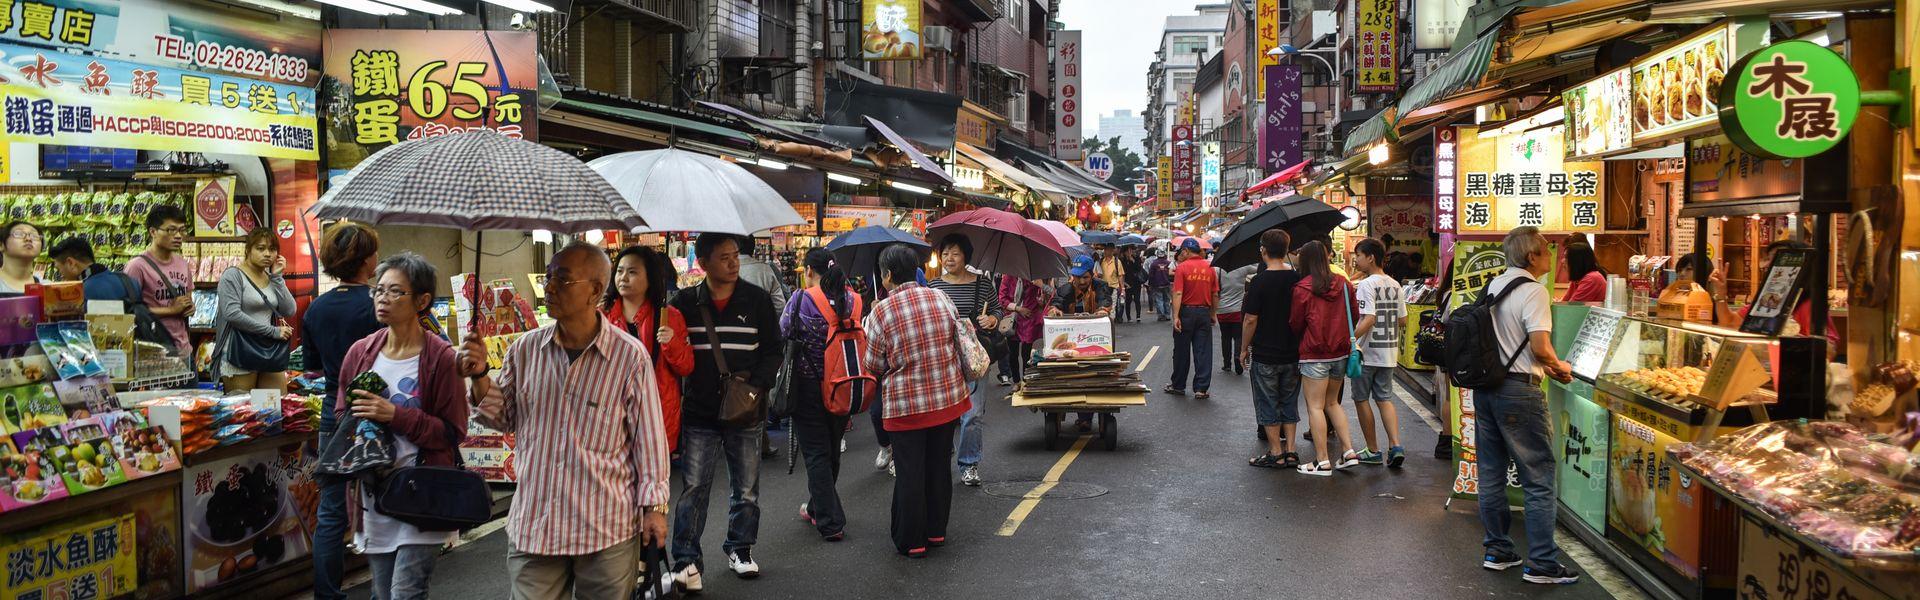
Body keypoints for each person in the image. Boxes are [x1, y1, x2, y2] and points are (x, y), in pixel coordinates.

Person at [464, 243, 671, 599]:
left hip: (604, 528)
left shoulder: (628, 356)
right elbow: (502, 418)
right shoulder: (525, 350)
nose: (549, 287)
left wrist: (654, 509)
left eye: (562, 279)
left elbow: (648, 440)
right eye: (548, 277)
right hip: (536, 524)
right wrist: (481, 374)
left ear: (595, 290)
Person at [335, 253, 468, 600]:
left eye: (396, 292)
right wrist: (360, 428)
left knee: (405, 593)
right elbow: (341, 415)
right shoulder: (360, 353)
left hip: (422, 493)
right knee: (382, 592)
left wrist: (394, 415)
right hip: (374, 496)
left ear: (422, 301)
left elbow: (451, 432)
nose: (383, 298)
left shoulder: (441, 357)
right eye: (378, 290)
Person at [669, 233, 782, 586]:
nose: (734, 263)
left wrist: (756, 386)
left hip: (744, 410)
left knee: (746, 486)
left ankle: (740, 547)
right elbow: (675, 355)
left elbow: (774, 350)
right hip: (700, 410)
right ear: (702, 263)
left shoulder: (758, 300)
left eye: (735, 256)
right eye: (724, 257)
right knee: (693, 487)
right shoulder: (684, 303)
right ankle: (687, 559)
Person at [1476, 226, 1580, 585]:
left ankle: (1498, 550)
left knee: (1491, 471)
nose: (1551, 257)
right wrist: (1560, 366)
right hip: (1520, 389)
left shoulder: (1492, 286)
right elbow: (1539, 346)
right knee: (1538, 478)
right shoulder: (1534, 291)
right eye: (1547, 251)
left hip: (1487, 390)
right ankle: (1541, 563)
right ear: (1531, 256)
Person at [861, 244, 972, 558]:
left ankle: (913, 540)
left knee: (910, 471)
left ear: (887, 275)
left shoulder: (881, 310)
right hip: (947, 398)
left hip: (907, 405)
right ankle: (936, 531)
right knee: (938, 466)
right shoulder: (940, 297)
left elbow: (873, 364)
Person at [303, 222, 382, 600]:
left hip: (333, 413)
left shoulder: (316, 308)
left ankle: (327, 593)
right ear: (366, 259)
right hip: (376, 413)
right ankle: (388, 585)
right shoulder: (378, 305)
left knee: (331, 511)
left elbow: (312, 366)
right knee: (384, 498)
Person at [781, 249, 861, 541]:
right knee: (830, 446)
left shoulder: (801, 299)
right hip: (844, 384)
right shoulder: (853, 300)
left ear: (809, 271)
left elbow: (784, 332)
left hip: (808, 385)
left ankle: (830, 521)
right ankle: (817, 507)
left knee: (816, 453)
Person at [923, 235, 1000, 488]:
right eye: (945, 254)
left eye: (954, 253)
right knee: (945, 413)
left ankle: (969, 463)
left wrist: (993, 320)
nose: (949, 258)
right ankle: (946, 450)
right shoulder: (933, 286)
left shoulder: (983, 284)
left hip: (975, 355)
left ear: (965, 256)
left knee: (973, 413)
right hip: (944, 355)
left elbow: (997, 310)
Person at [604, 246, 694, 457]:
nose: (623, 277)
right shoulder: (602, 318)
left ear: (650, 278)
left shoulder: (669, 316)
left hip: (657, 414)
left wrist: (671, 343)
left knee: (652, 486)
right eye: (619, 271)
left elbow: (686, 366)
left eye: (632, 272)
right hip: (613, 415)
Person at [1288, 241, 1360, 476]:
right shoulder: (1343, 284)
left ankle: (1322, 461)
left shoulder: (1302, 288)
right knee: (1333, 403)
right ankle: (1349, 451)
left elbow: (1296, 322)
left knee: (1315, 406)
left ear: (1306, 260)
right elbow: (1355, 314)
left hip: (1314, 353)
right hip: (1340, 352)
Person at [1240, 230, 1303, 469]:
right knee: (1289, 401)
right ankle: (1291, 450)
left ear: (1263, 251)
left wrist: (1244, 348)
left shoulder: (1259, 281)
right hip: (1293, 352)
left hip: (1266, 353)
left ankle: (1276, 451)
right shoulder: (1297, 279)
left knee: (1268, 402)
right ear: (1287, 250)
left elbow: (1250, 320)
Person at [1705, 240, 1840, 349]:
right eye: (1769, 259)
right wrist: (1721, 294)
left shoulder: (1809, 305)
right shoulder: (1767, 300)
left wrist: (1794, 340)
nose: (1768, 264)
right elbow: (1729, 323)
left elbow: (1829, 350)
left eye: (1777, 258)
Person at [214, 227, 296, 391]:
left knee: (275, 406)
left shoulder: (270, 277)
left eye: (272, 249)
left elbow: (290, 309)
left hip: (268, 350)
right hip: (239, 350)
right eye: (260, 248)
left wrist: (278, 277)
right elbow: (233, 314)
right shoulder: (233, 276)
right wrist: (273, 331)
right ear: (248, 250)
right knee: (242, 409)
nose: (267, 254)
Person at [1349, 238, 1406, 468]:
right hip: (1389, 352)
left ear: (1370, 257)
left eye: (1359, 256)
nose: (1357, 260)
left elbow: (1368, 318)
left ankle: (1372, 449)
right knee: (1384, 399)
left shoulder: (1366, 284)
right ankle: (1395, 445)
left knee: (1361, 399)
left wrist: (1351, 338)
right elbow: (1402, 320)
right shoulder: (1395, 284)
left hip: (1367, 353)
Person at [1048, 254, 1113, 430]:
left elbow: (1105, 300)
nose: (1081, 281)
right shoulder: (1065, 289)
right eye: (1077, 277)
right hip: (1071, 339)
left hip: (1095, 337)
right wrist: (1055, 309)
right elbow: (1057, 301)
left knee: (1093, 372)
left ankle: (1086, 415)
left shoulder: (1101, 286)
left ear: (1092, 275)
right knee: (1070, 371)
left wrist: (1102, 310)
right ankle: (1076, 410)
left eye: (1085, 277)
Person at [124, 205, 196, 354]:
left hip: (183, 349)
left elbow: (187, 298)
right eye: (171, 230)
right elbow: (128, 312)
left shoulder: (182, 263)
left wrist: (189, 308)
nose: (178, 236)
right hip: (154, 351)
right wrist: (170, 310)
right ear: (153, 232)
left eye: (182, 230)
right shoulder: (137, 266)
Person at [1166, 238, 1219, 399]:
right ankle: (1201, 389)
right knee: (1203, 351)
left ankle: (1179, 385)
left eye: (1182, 252)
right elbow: (1215, 294)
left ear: (1187, 251)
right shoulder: (1210, 268)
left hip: (1186, 312)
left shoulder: (1182, 268)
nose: (1181, 255)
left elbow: (1178, 293)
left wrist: (1175, 316)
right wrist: (1213, 314)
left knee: (1181, 350)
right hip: (1203, 312)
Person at [998, 274, 1050, 385]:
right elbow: (1002, 299)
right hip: (1013, 320)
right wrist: (1018, 309)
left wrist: (1042, 288)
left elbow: (1050, 296)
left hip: (1029, 320)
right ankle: (1016, 382)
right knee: (1013, 353)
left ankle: (1026, 381)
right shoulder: (1008, 277)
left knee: (1026, 354)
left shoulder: (1035, 278)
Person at [47, 237, 136, 301]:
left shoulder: (80, 294)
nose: (61, 276)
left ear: (71, 263)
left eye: (59, 269)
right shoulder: (130, 281)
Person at [1215, 263, 1257, 376]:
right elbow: (1258, 268)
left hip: (1222, 309)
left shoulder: (1217, 270)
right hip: (1238, 309)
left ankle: (1227, 364)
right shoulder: (1243, 267)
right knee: (1239, 336)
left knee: (1225, 337)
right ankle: (1238, 358)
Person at [0, 222, 40, 294]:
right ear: (1, 245)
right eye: (19, 234)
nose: (28, 239)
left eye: (34, 236)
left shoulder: (47, 287)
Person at [1121, 246, 1146, 323]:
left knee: (1137, 300)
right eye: (1128, 251)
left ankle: (1138, 316)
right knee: (1128, 301)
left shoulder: (1137, 258)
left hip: (1136, 282)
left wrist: (1133, 261)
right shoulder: (1122, 260)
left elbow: (1139, 268)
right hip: (1127, 282)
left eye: (1131, 250)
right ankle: (1129, 317)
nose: (1130, 252)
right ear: (1124, 252)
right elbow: (1122, 272)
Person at [1147, 249, 1173, 321]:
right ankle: (1167, 315)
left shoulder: (1154, 264)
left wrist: (1150, 285)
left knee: (1159, 300)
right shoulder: (1168, 263)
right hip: (1167, 284)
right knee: (1167, 300)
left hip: (1157, 284)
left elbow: (1151, 276)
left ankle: (1161, 315)